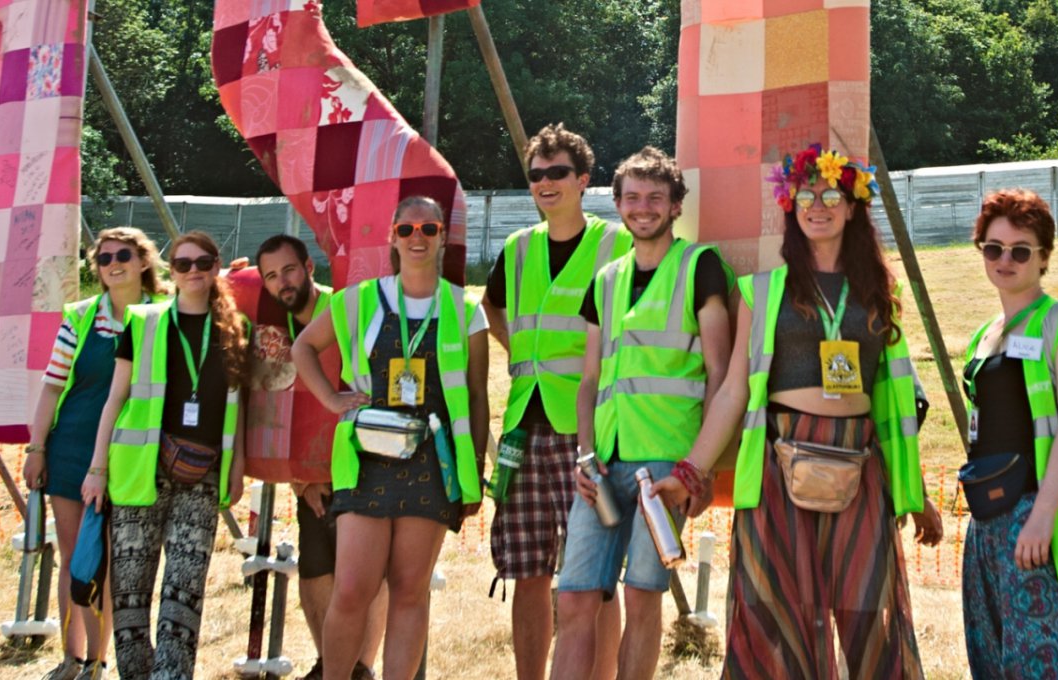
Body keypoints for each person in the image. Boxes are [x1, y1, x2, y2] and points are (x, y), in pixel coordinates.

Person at [653, 144, 943, 679]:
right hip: (775, 465)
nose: (817, 204)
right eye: (805, 195)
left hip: (861, 463)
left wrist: (913, 489)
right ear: (791, 206)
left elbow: (894, 403)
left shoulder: (881, 291)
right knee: (772, 616)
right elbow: (733, 392)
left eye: (831, 193)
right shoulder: (760, 292)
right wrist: (689, 471)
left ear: (853, 206)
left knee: (868, 615)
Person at [293, 195, 490, 680]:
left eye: (428, 229)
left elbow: (479, 399)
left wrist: (474, 475)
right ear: (392, 237)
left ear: (442, 235)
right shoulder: (359, 300)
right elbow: (304, 348)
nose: (417, 238)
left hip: (431, 466)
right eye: (406, 229)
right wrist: (333, 400)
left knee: (409, 590)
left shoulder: (466, 311)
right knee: (353, 589)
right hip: (368, 461)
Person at [553, 147, 730, 680]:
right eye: (632, 197)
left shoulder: (701, 266)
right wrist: (585, 456)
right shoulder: (605, 279)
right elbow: (589, 382)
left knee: (641, 594)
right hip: (603, 467)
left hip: (665, 471)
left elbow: (721, 375)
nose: (643, 207)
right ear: (618, 205)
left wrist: (699, 469)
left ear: (676, 205)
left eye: (656, 197)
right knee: (575, 599)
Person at [479, 122, 631, 680]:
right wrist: (513, 348)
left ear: (583, 179)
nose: (545, 183)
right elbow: (491, 307)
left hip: (588, 431)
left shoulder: (616, 244)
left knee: (596, 575)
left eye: (557, 173)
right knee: (528, 571)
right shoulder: (519, 249)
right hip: (525, 426)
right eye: (536, 174)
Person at [956, 189, 1058, 678]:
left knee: (1053, 663)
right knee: (998, 661)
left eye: (1020, 250)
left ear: (1044, 257)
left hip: (1038, 522)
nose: (1004, 260)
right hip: (989, 527)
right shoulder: (984, 336)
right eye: (993, 248)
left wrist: (1043, 517)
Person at [84, 231, 250, 679]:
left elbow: (243, 407)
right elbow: (114, 400)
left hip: (204, 473)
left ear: (216, 267)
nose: (193, 271)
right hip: (139, 471)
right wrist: (97, 468)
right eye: (183, 264)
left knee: (185, 589)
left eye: (203, 262)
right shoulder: (143, 321)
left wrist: (237, 469)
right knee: (130, 593)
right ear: (170, 271)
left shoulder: (238, 328)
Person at [25, 226, 169, 680]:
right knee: (75, 558)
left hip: (134, 457)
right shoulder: (81, 316)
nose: (113, 264)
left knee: (110, 563)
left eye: (123, 254)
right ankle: (72, 659)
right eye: (104, 257)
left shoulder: (163, 316)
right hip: (70, 449)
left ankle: (99, 661)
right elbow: (50, 388)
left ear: (143, 261)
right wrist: (36, 447)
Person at [252, 234, 387, 680]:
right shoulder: (272, 326)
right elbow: (273, 409)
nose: (282, 282)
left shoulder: (344, 308)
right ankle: (331, 664)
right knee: (313, 567)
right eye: (271, 276)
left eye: (289, 270)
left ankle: (361, 667)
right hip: (309, 475)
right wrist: (301, 481)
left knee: (367, 571)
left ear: (309, 266)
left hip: (362, 463)